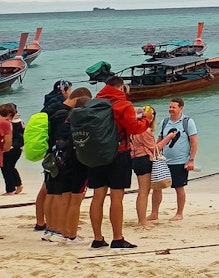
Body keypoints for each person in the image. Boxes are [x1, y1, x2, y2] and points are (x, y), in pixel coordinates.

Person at [87, 75, 152, 250]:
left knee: (97, 197)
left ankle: (97, 238)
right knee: (117, 197)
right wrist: (147, 119)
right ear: (121, 88)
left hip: (96, 154)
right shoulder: (123, 104)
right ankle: (117, 237)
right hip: (119, 153)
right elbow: (134, 128)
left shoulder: (93, 103)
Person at [44, 87, 92, 244]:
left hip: (62, 162)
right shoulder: (84, 122)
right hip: (78, 163)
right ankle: (72, 235)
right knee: (76, 201)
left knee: (65, 198)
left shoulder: (65, 119)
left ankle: (64, 233)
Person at [34, 80, 73, 231]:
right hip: (56, 150)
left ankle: (40, 221)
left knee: (47, 186)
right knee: (52, 189)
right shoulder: (61, 106)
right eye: (70, 90)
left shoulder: (47, 105)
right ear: (64, 91)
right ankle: (51, 223)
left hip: (47, 149)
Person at [153, 98, 198, 221]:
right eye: (170, 107)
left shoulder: (188, 122)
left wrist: (191, 160)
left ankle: (179, 213)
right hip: (163, 161)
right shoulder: (165, 121)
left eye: (173, 107)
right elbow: (160, 140)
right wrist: (154, 154)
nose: (171, 109)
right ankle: (154, 213)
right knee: (157, 187)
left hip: (180, 161)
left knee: (179, 187)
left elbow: (194, 142)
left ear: (181, 108)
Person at [129, 105, 165, 228]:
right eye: (151, 114)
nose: (152, 116)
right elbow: (154, 148)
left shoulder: (133, 129)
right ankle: (142, 220)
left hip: (136, 159)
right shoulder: (145, 130)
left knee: (143, 191)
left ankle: (143, 218)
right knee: (144, 191)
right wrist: (168, 138)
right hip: (144, 160)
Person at [0, 104, 19, 195]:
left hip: (13, 148)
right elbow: (8, 143)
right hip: (12, 148)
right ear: (10, 115)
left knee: (8, 168)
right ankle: (14, 187)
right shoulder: (5, 123)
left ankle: (12, 187)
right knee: (9, 167)